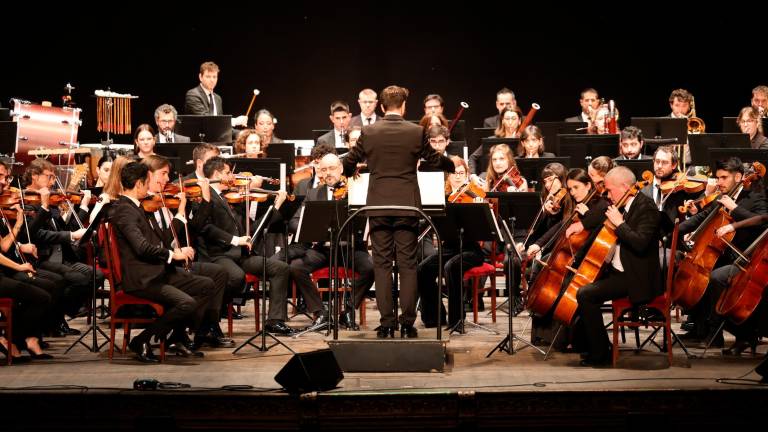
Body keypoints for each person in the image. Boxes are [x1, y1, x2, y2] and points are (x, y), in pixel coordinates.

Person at [342, 85, 458, 339]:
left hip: (378, 207)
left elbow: (349, 162)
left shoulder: (369, 131)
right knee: (407, 265)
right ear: (403, 106)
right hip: (407, 207)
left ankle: (386, 324)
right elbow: (435, 160)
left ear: (382, 107)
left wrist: (352, 171)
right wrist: (452, 164)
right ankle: (407, 323)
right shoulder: (416, 132)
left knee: (382, 265)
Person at [108, 161, 216, 363]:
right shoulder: (124, 211)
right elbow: (141, 248)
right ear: (139, 184)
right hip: (143, 279)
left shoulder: (138, 207)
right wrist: (172, 255)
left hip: (157, 271)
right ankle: (142, 340)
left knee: (206, 285)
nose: (150, 187)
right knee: (187, 303)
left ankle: (176, 337)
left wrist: (180, 224)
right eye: (148, 182)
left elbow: (161, 239)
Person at [576, 166, 661, 366]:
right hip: (616, 271)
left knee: (585, 294)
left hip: (634, 277)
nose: (607, 195)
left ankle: (601, 354)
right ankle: (584, 344)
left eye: (609, 190)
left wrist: (620, 223)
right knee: (580, 285)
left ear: (625, 187)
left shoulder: (647, 207)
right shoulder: (622, 204)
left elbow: (640, 243)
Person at [677, 157, 767, 345]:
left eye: (724, 177)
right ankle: (699, 327)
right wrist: (674, 230)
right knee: (689, 270)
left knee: (714, 277)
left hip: (744, 257)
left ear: (738, 177)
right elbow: (701, 218)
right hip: (722, 253)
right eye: (717, 178)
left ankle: (717, 332)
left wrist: (734, 209)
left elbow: (761, 221)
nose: (719, 182)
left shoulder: (754, 198)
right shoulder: (720, 197)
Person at [286, 153, 374, 330]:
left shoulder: (354, 190)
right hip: (321, 249)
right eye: (323, 170)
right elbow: (294, 221)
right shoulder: (313, 193)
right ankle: (320, 313)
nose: (328, 173)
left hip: (349, 248)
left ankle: (348, 310)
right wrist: (311, 228)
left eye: (332, 168)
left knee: (371, 268)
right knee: (296, 267)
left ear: (341, 169)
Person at [184, 61, 248, 128]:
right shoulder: (193, 95)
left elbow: (221, 127)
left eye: (214, 77)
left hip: (216, 137)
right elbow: (207, 120)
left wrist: (241, 134)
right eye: (208, 76)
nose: (212, 80)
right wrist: (235, 121)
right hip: (198, 137)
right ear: (200, 77)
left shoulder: (218, 98)